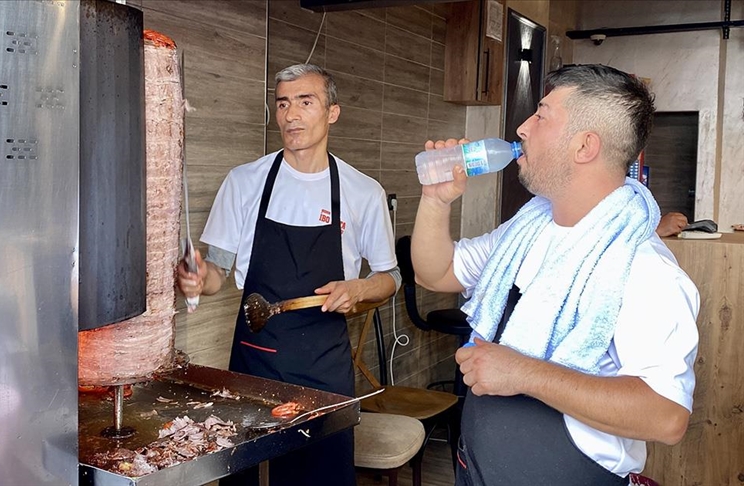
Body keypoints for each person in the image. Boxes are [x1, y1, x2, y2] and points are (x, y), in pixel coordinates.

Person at [411, 64, 699, 485]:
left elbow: (666, 416)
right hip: (479, 467)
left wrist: (522, 372)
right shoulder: (524, 233)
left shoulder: (645, 270)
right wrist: (436, 201)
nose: (523, 128)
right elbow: (435, 273)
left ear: (584, 146)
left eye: (541, 115)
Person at [177, 64, 399, 486]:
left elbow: (390, 277)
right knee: (244, 474)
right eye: (282, 103)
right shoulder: (245, 182)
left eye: (305, 101)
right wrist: (197, 277)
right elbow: (217, 274)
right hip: (253, 360)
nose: (291, 114)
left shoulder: (361, 191)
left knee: (320, 475)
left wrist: (362, 287)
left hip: (324, 365)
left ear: (332, 112)